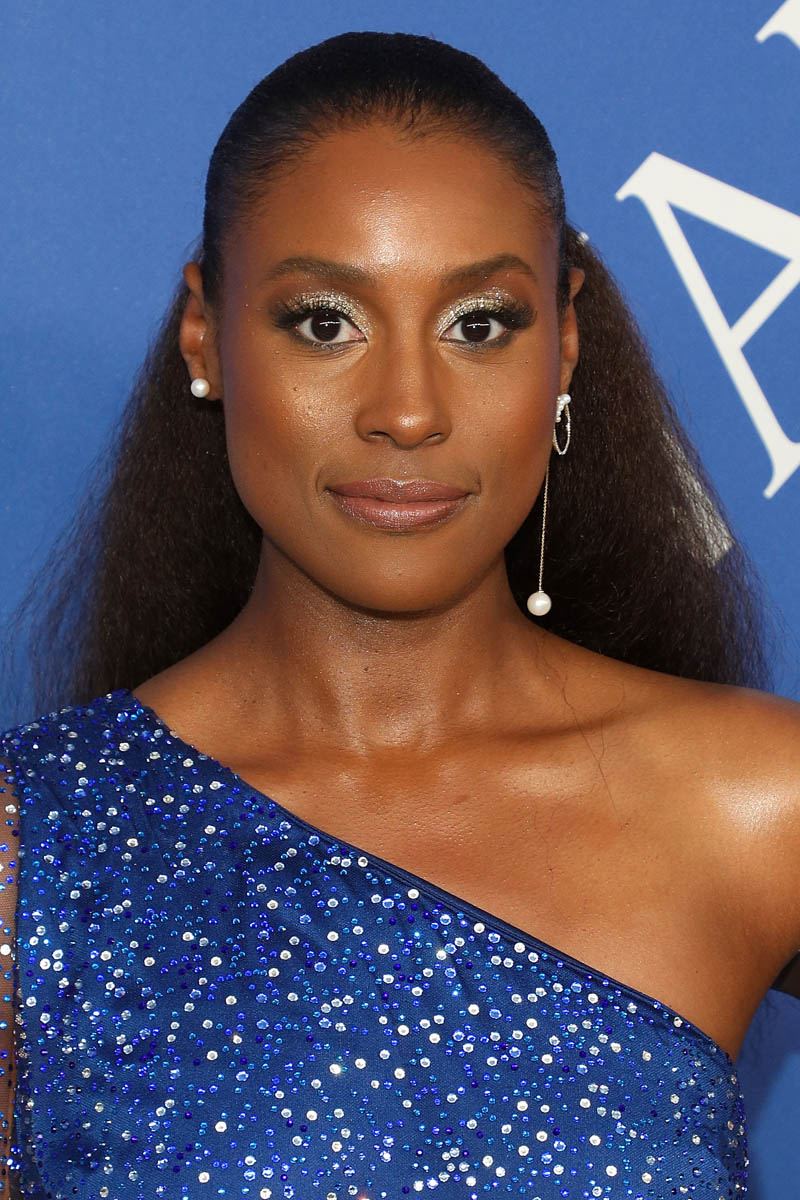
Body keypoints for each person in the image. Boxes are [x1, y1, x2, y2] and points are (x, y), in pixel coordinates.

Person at [0, 28, 798, 1199]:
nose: (408, 411)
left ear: (563, 343)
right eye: (325, 321)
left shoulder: (762, 806)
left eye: (479, 323)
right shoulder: (33, 847)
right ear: (204, 335)